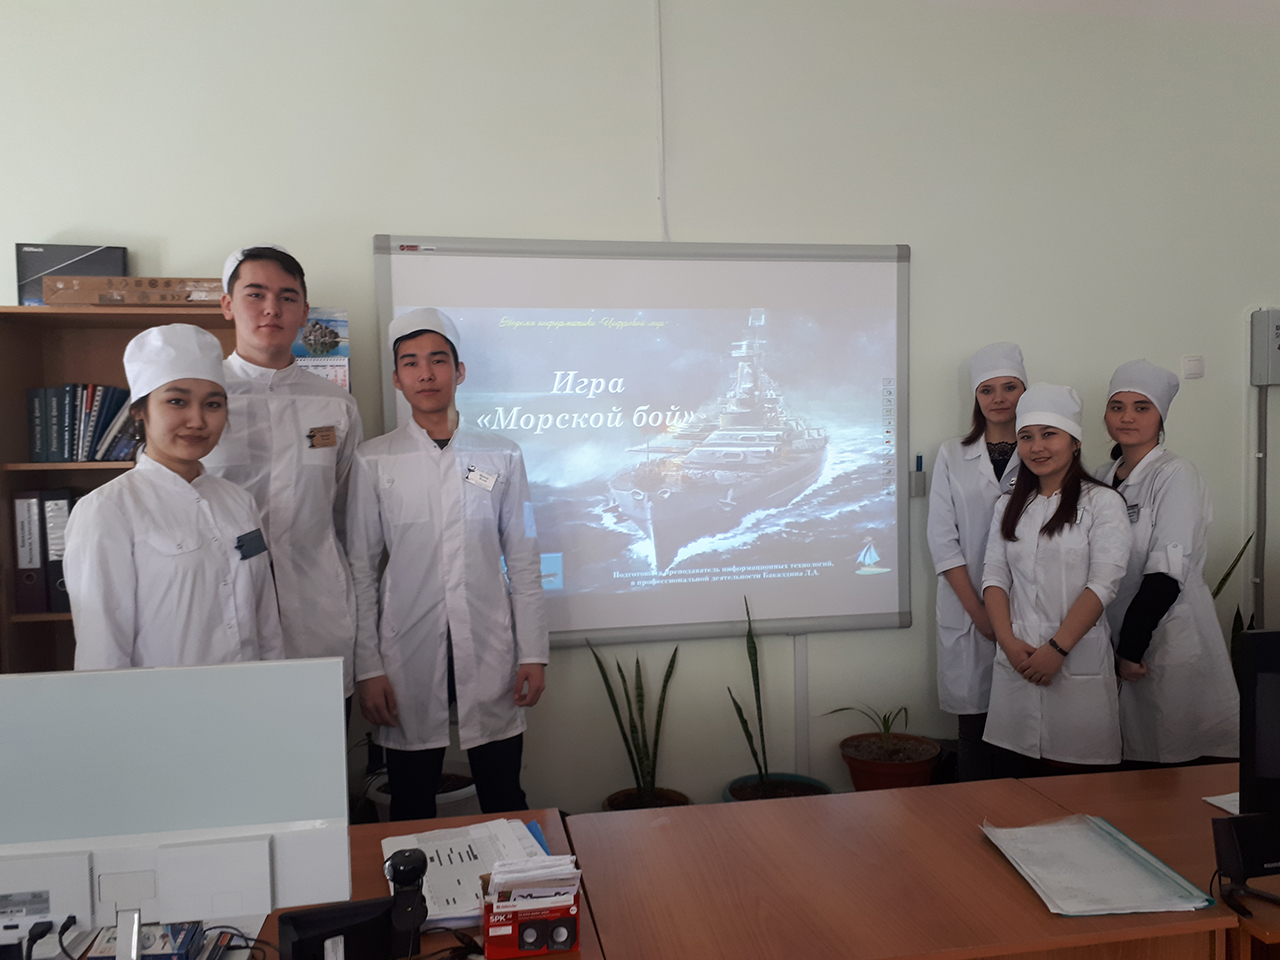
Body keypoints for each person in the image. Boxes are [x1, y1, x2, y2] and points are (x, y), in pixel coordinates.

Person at [347, 307, 549, 819]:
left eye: (438, 360)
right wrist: (368, 667)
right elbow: (360, 571)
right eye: (411, 362)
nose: (426, 373)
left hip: (489, 644)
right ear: (397, 378)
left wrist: (533, 652)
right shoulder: (374, 460)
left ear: (459, 371)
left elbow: (524, 559)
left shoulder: (502, 456)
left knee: (504, 795)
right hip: (406, 650)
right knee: (411, 801)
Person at [66, 324, 285, 669]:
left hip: (250, 693)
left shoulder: (239, 502)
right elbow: (102, 650)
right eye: (177, 401)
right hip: (161, 701)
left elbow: (266, 622)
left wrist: (277, 685)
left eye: (213, 404)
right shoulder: (107, 510)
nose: (197, 420)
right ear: (140, 411)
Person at [202, 246, 363, 712]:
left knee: (321, 748)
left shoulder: (335, 405)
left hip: (317, 615)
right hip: (219, 616)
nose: (272, 308)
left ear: (305, 313)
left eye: (287, 297)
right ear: (228, 304)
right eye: (255, 294)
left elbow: (349, 517)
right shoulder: (201, 400)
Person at [981, 383, 1130, 773]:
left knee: (1076, 787)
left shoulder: (1103, 503)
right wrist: (1008, 643)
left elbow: (1103, 584)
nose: (1037, 447)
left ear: (1075, 442)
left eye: (1049, 434)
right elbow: (994, 577)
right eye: (1026, 437)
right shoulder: (1008, 505)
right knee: (1013, 785)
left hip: (1074, 660)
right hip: (1016, 659)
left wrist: (1057, 650)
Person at [1097, 360, 1239, 764]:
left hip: (1165, 632)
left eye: (1141, 407)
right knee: (1129, 762)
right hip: (1118, 636)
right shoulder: (1103, 476)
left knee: (1175, 761)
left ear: (1160, 417)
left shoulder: (1176, 474)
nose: (1127, 417)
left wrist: (1131, 648)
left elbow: (1166, 572)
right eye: (1117, 407)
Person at [927, 342, 1027, 780]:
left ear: (1026, 392)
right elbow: (942, 540)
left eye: (1010, 387)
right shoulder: (952, 454)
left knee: (1026, 727)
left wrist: (1003, 619)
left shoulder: (1044, 452)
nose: (999, 398)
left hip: (1028, 606)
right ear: (976, 397)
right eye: (987, 390)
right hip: (968, 610)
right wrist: (981, 615)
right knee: (974, 730)